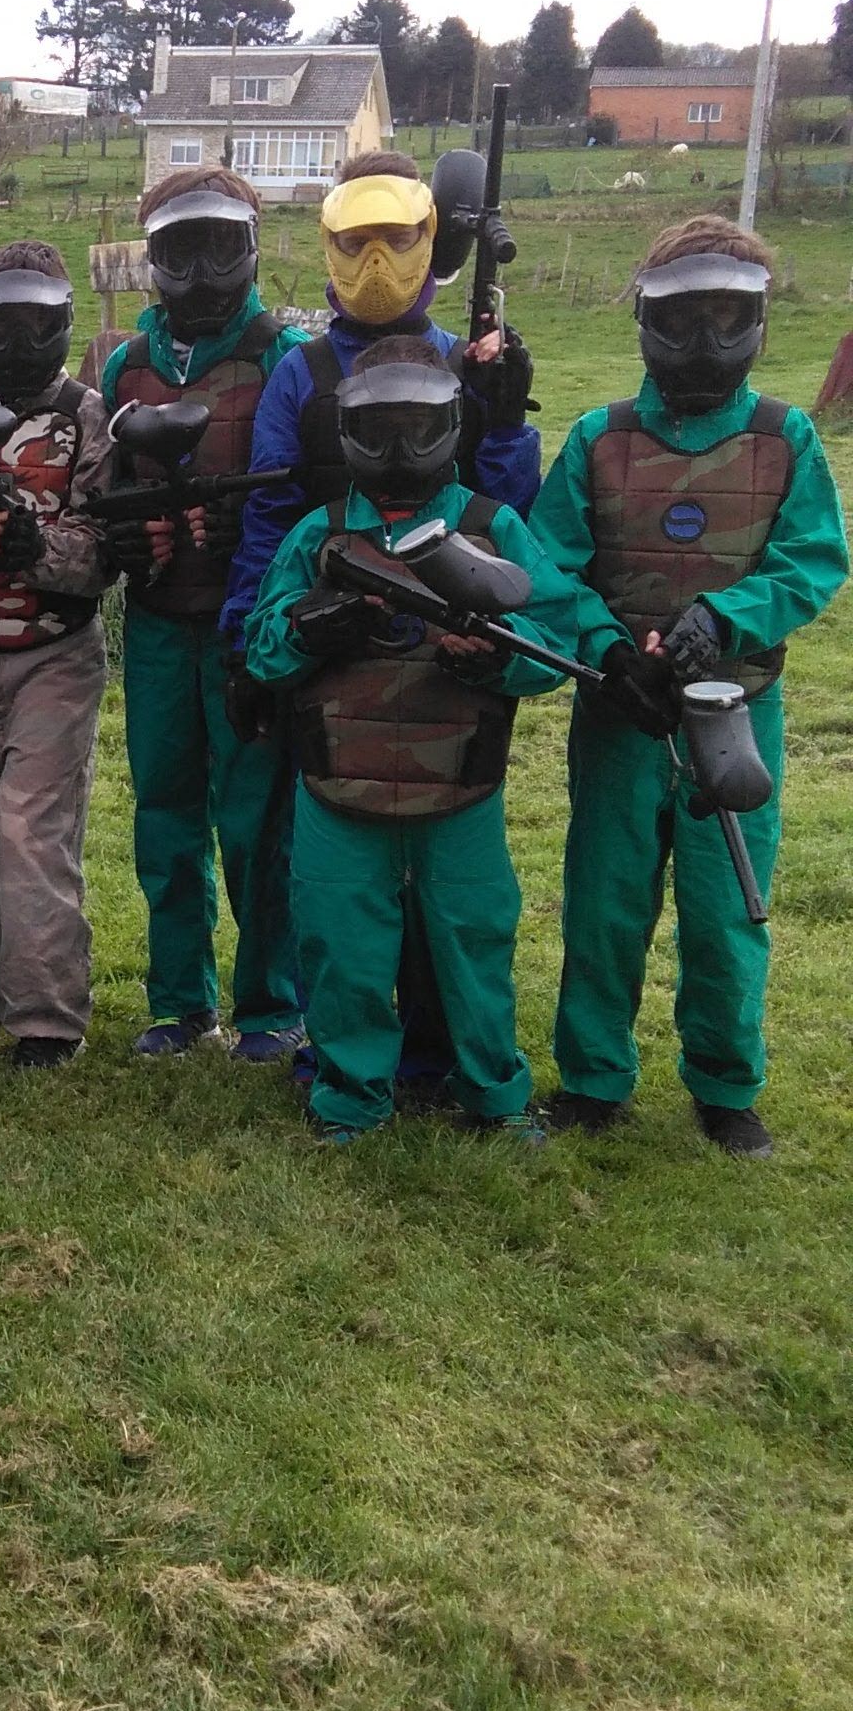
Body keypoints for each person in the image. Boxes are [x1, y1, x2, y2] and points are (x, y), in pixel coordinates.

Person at [222, 149, 540, 1094]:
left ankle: (448, 1056)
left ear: (426, 239)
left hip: (446, 669)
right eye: (355, 243)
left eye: (394, 241)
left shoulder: (465, 368)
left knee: (455, 888)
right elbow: (273, 517)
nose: (374, 262)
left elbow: (509, 524)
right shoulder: (303, 371)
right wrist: (260, 643)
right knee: (333, 873)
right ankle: (331, 1045)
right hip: (332, 631)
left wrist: (509, 418)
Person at [531, 215, 848, 1156]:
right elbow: (550, 564)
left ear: (753, 321)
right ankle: (593, 1078)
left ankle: (725, 1084)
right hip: (622, 710)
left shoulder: (786, 437)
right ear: (647, 322)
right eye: (683, 319)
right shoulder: (599, 438)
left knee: (723, 906)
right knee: (604, 896)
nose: (705, 343)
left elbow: (811, 561)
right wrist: (608, 646)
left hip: (736, 713)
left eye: (727, 318)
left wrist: (728, 619)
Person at [245, 337, 582, 1143]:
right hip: (339, 782)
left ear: (451, 425)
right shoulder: (318, 538)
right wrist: (311, 630)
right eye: (380, 428)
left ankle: (495, 1099)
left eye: (417, 426)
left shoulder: (491, 527)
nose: (400, 448)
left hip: (459, 782)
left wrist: (496, 657)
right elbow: (261, 646)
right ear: (350, 431)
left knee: (473, 943)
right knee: (341, 945)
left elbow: (556, 635)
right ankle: (350, 1099)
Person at [99, 170, 308, 1059]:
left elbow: (309, 493)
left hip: (247, 622)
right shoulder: (126, 364)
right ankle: (181, 1000)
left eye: (219, 245)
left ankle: (269, 1003)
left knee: (257, 817)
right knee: (166, 811)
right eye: (179, 249)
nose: (199, 268)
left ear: (251, 245)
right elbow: (104, 484)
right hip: (154, 618)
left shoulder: (280, 355)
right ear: (154, 257)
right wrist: (131, 536)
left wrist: (249, 522)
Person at [0, 241, 112, 1066]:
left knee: (33, 830)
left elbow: (102, 549)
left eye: (31, 324)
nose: (14, 341)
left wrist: (27, 545)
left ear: (59, 324)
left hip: (54, 652)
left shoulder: (88, 417)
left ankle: (47, 1017)